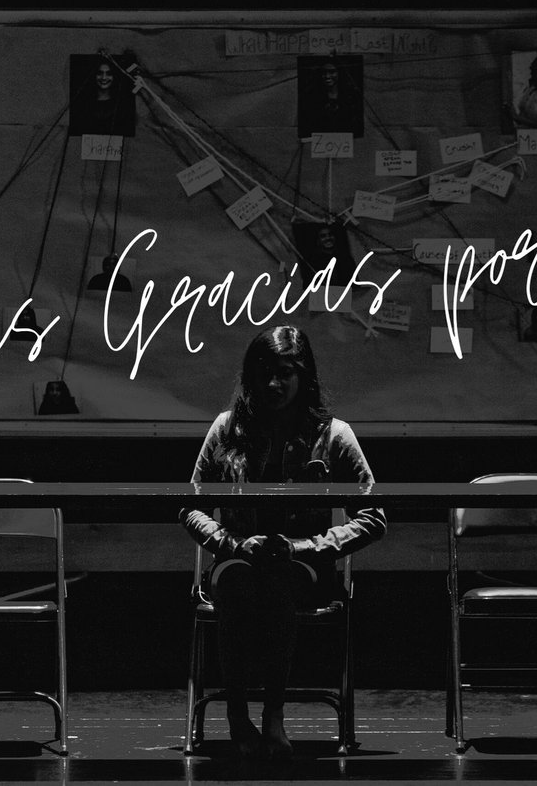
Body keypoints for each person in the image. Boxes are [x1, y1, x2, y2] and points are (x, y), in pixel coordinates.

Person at [180, 325, 385, 760]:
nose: (273, 383)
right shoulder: (227, 429)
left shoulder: (333, 435)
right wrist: (233, 544)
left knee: (276, 582)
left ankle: (274, 716)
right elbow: (190, 506)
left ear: (303, 376)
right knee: (239, 584)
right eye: (265, 372)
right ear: (250, 376)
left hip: (303, 565)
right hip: (237, 560)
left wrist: (304, 547)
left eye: (285, 373)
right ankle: (238, 716)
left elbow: (373, 516)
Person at [68, 57, 136, 136]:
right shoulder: (83, 104)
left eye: (108, 73)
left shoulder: (122, 105)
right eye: (100, 73)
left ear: (114, 76)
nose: (104, 77)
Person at [299, 56, 363, 138]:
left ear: (339, 73)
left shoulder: (350, 95)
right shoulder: (311, 97)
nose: (327, 76)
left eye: (332, 72)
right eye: (324, 72)